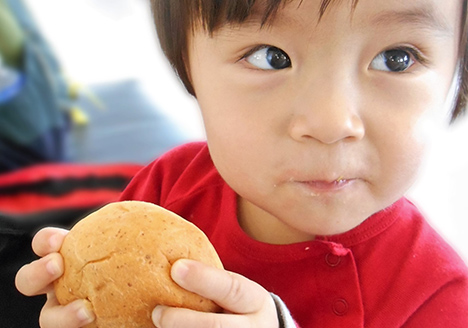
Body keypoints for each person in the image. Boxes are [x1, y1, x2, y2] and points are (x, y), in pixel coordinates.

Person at [15, 0, 468, 327]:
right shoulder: (165, 191)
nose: (331, 123)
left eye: (396, 58)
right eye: (272, 57)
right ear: (189, 70)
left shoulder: (439, 301)